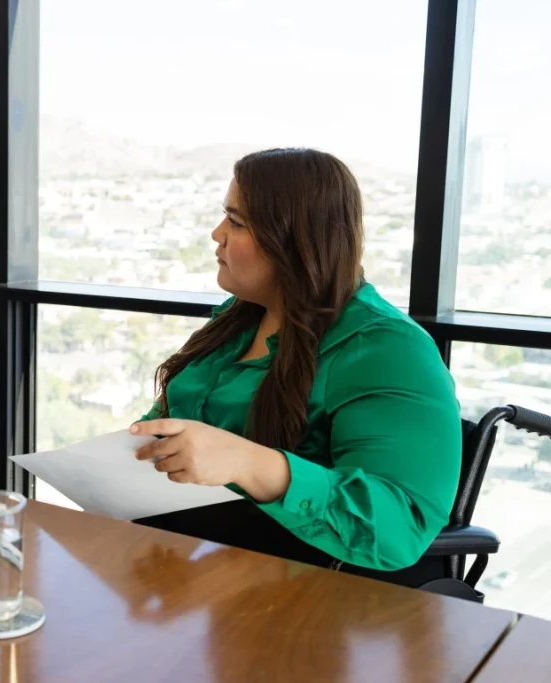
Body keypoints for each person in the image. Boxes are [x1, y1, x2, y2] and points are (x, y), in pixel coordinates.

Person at [128, 148, 461, 585]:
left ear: (295, 240)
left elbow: (399, 529)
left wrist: (250, 464)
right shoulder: (237, 318)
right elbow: (169, 431)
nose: (216, 234)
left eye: (237, 222)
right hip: (190, 570)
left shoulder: (388, 350)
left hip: (299, 598)